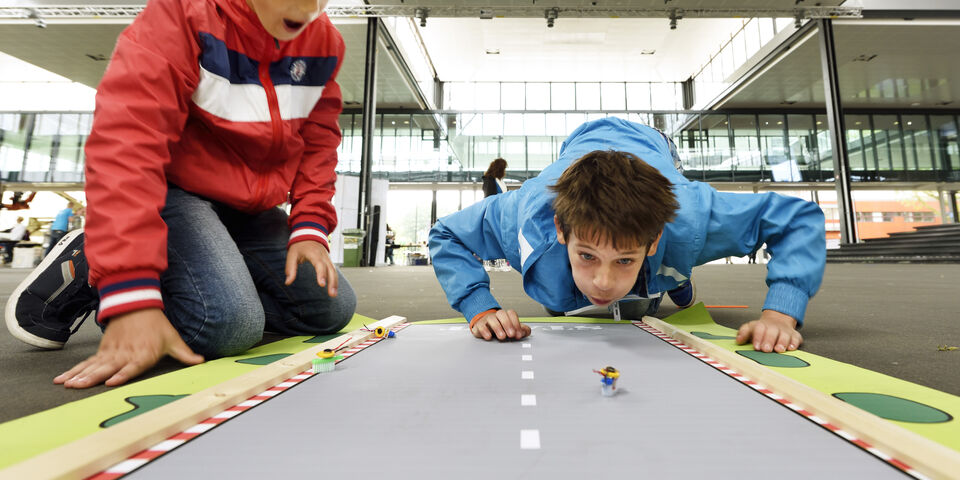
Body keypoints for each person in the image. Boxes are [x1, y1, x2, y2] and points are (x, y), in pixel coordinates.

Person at [5, 0, 356, 389]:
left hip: (246, 206)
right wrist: (130, 294)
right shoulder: (182, 15)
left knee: (330, 309)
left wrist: (310, 225)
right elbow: (129, 146)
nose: (310, 7)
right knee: (226, 327)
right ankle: (99, 259)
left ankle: (201, 275)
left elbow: (318, 141)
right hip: (173, 191)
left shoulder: (325, 42)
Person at [429, 118, 825, 354]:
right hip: (579, 143)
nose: (603, 283)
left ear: (653, 242)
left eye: (624, 260)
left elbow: (797, 219)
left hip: (654, 143)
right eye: (587, 256)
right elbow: (446, 233)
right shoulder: (520, 215)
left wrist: (780, 315)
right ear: (560, 231)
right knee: (559, 302)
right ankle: (616, 268)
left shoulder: (694, 216)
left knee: (648, 298)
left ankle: (679, 280)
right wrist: (480, 307)